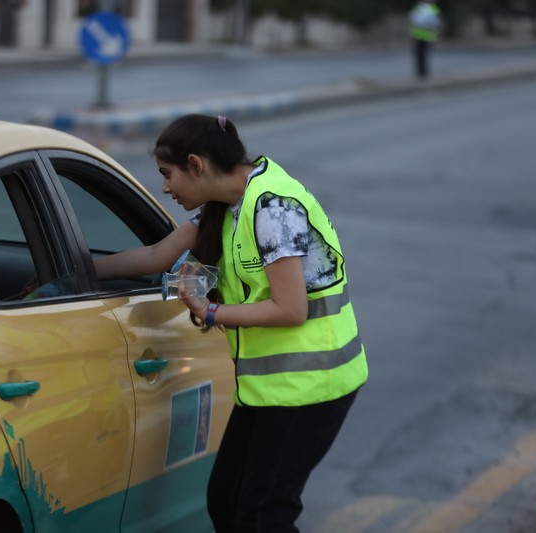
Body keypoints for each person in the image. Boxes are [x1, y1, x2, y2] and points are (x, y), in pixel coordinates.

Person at [95, 114, 368, 532]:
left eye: (167, 174)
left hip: (313, 385)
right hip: (272, 388)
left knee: (262, 517)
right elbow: (155, 256)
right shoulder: (226, 207)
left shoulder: (272, 207)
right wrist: (70, 273)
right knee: (226, 501)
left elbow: (290, 309)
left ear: (196, 164)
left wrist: (210, 311)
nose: (165, 187)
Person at [409, 0, 442, 79]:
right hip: (426, 35)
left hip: (420, 35)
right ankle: (423, 72)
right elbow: (437, 22)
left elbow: (413, 20)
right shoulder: (433, 8)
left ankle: (422, 72)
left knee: (421, 54)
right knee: (423, 54)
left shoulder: (419, 8)